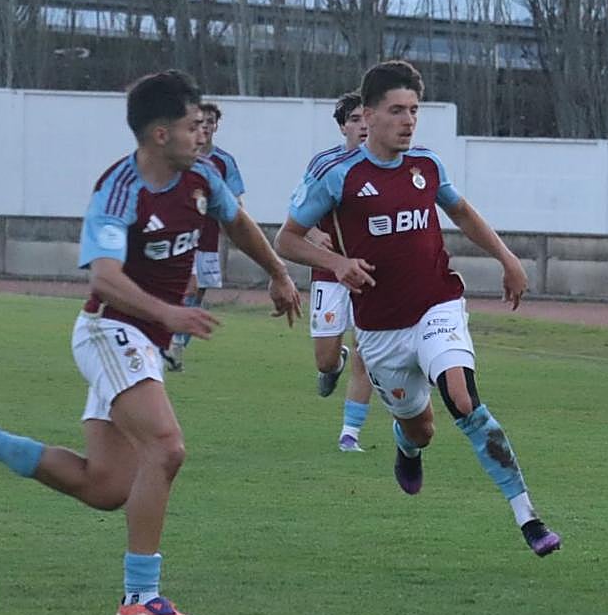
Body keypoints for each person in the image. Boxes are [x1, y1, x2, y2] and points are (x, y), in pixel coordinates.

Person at [0, 70, 301, 615]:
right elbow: (105, 276)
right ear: (161, 134)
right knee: (166, 449)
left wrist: (278, 273)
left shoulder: (202, 177)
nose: (203, 135)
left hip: (139, 341)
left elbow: (237, 223)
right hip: (108, 331)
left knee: (105, 487)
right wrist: (168, 312)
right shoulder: (121, 189)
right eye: (194, 126)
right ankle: (140, 598)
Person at [274, 60, 561, 557]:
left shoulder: (426, 166)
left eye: (414, 111)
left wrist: (507, 257)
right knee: (421, 428)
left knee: (463, 396)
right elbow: (286, 239)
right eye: (396, 111)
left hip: (438, 304)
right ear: (369, 115)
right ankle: (406, 447)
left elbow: (463, 213)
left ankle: (528, 517)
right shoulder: (338, 176)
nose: (407, 121)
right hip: (381, 330)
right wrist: (337, 263)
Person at [302, 93, 376, 451]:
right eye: (356, 119)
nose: (363, 125)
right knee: (326, 358)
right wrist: (315, 234)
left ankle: (350, 433)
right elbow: (298, 213)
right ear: (343, 125)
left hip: (372, 274)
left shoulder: (390, 163)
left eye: (367, 118)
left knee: (367, 351)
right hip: (330, 272)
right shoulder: (324, 164)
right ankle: (334, 364)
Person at [164, 100, 247, 371]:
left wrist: (233, 222)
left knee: (198, 293)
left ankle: (175, 346)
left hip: (209, 238)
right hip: (180, 236)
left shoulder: (223, 162)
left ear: (215, 126)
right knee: (181, 287)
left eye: (211, 122)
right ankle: (170, 343)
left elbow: (235, 200)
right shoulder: (177, 156)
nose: (206, 128)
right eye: (201, 122)